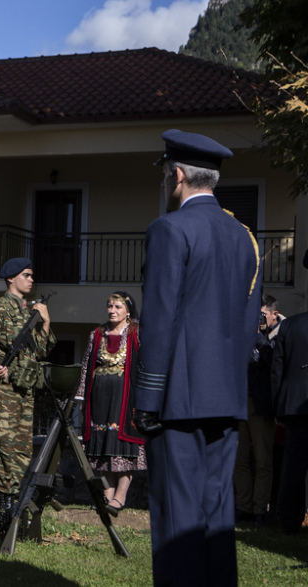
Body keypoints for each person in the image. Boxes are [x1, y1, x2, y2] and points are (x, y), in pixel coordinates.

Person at [132, 129, 262, 587]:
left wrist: (147, 398)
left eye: (169, 175)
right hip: (225, 397)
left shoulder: (169, 228)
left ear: (179, 174)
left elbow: (160, 319)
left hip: (178, 401)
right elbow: (248, 327)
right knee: (216, 517)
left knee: (177, 521)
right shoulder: (245, 237)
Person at [0, 257, 54, 518]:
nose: (31, 279)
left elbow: (41, 349)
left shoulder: (29, 312)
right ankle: (0, 504)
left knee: (22, 448)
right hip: (5, 390)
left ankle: (14, 499)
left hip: (25, 391)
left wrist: (46, 322)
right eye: (26, 275)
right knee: (3, 446)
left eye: (32, 275)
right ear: (11, 278)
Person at [76, 292, 145, 513]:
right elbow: (87, 364)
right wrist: (81, 396)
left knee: (123, 447)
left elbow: (145, 364)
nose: (112, 310)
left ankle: (120, 497)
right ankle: (106, 497)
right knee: (102, 446)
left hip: (125, 401)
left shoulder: (137, 333)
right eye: (109, 306)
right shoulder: (97, 334)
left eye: (117, 306)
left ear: (128, 311)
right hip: (99, 400)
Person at [234, 294, 283, 526]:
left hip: (262, 405)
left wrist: (260, 340)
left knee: (264, 459)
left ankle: (260, 509)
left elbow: (276, 361)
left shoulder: (281, 333)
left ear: (274, 314)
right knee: (239, 458)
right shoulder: (244, 334)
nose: (259, 319)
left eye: (262, 315)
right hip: (239, 401)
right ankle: (243, 506)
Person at [269, 310, 308, 535]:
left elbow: (277, 369)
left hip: (294, 404)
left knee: (293, 465)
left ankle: (290, 519)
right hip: (297, 403)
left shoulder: (290, 325)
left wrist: (278, 405)